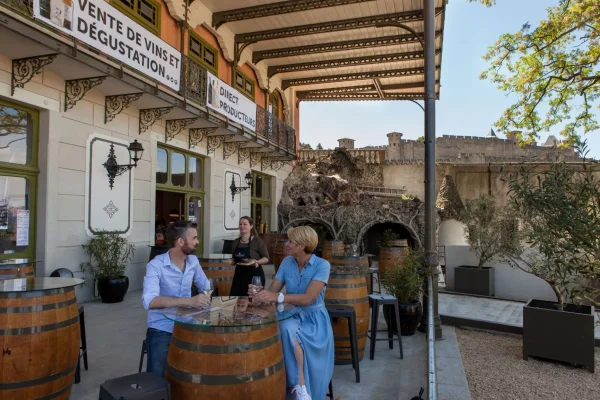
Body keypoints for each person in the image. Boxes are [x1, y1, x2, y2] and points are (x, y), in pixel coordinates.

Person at [251, 226, 334, 400]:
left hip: (314, 320)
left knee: (286, 326)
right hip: (290, 314)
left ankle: (299, 387)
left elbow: (307, 299)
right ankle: (300, 387)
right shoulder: (287, 262)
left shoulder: (322, 265)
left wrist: (276, 296)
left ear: (302, 245)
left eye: (290, 241)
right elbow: (273, 292)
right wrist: (260, 293)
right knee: (283, 325)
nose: (286, 244)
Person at [141, 220, 211, 376]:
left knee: (198, 372)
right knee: (156, 379)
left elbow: (206, 287)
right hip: (161, 328)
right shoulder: (155, 265)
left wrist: (205, 299)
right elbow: (149, 301)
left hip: (188, 325)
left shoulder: (193, 261)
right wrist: (189, 301)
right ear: (180, 241)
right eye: (194, 238)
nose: (197, 242)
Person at [229, 216, 270, 296]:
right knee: (236, 300)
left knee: (253, 300)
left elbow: (266, 258)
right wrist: (231, 261)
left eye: (245, 224)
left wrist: (256, 261)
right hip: (239, 276)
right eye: (240, 224)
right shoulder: (235, 242)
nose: (242, 226)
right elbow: (235, 259)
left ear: (251, 226)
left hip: (254, 276)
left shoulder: (257, 241)